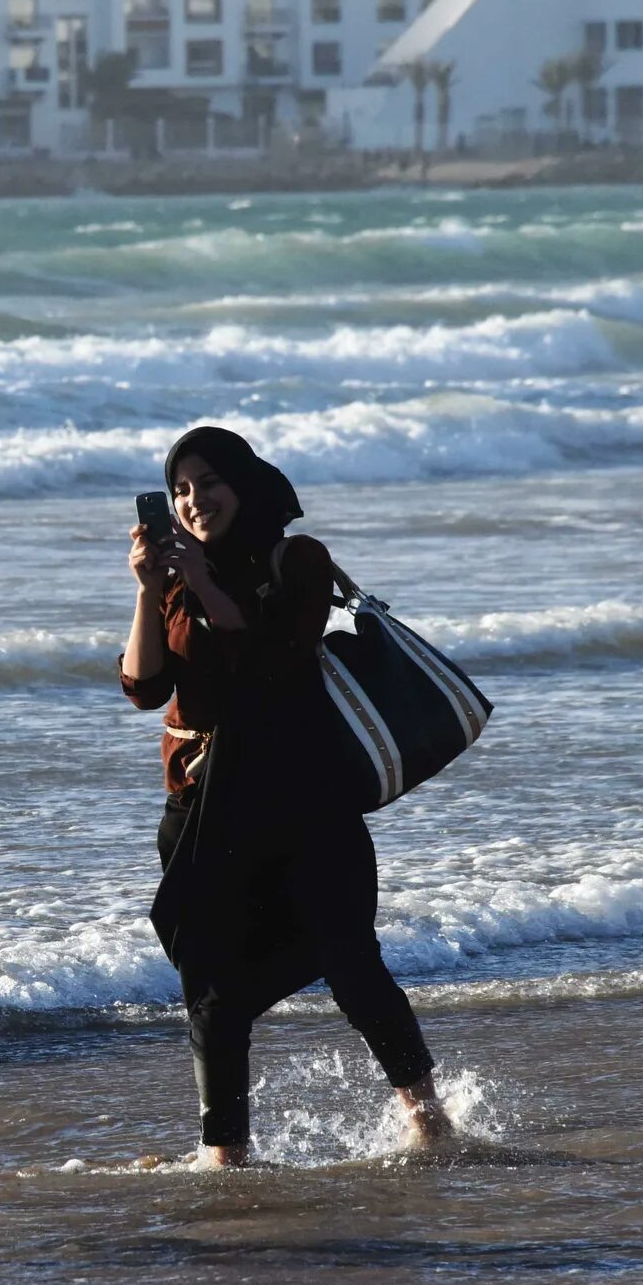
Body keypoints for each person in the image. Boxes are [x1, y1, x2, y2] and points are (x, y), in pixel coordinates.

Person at [120, 426, 451, 1165]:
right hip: (206, 809)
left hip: (303, 802)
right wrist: (150, 591)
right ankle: (225, 1155)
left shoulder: (296, 560)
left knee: (352, 963)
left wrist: (206, 582)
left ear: (244, 483)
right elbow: (144, 687)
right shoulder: (172, 577)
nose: (194, 500)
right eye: (180, 490)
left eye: (208, 483)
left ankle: (431, 1121)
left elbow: (276, 663)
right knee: (210, 983)